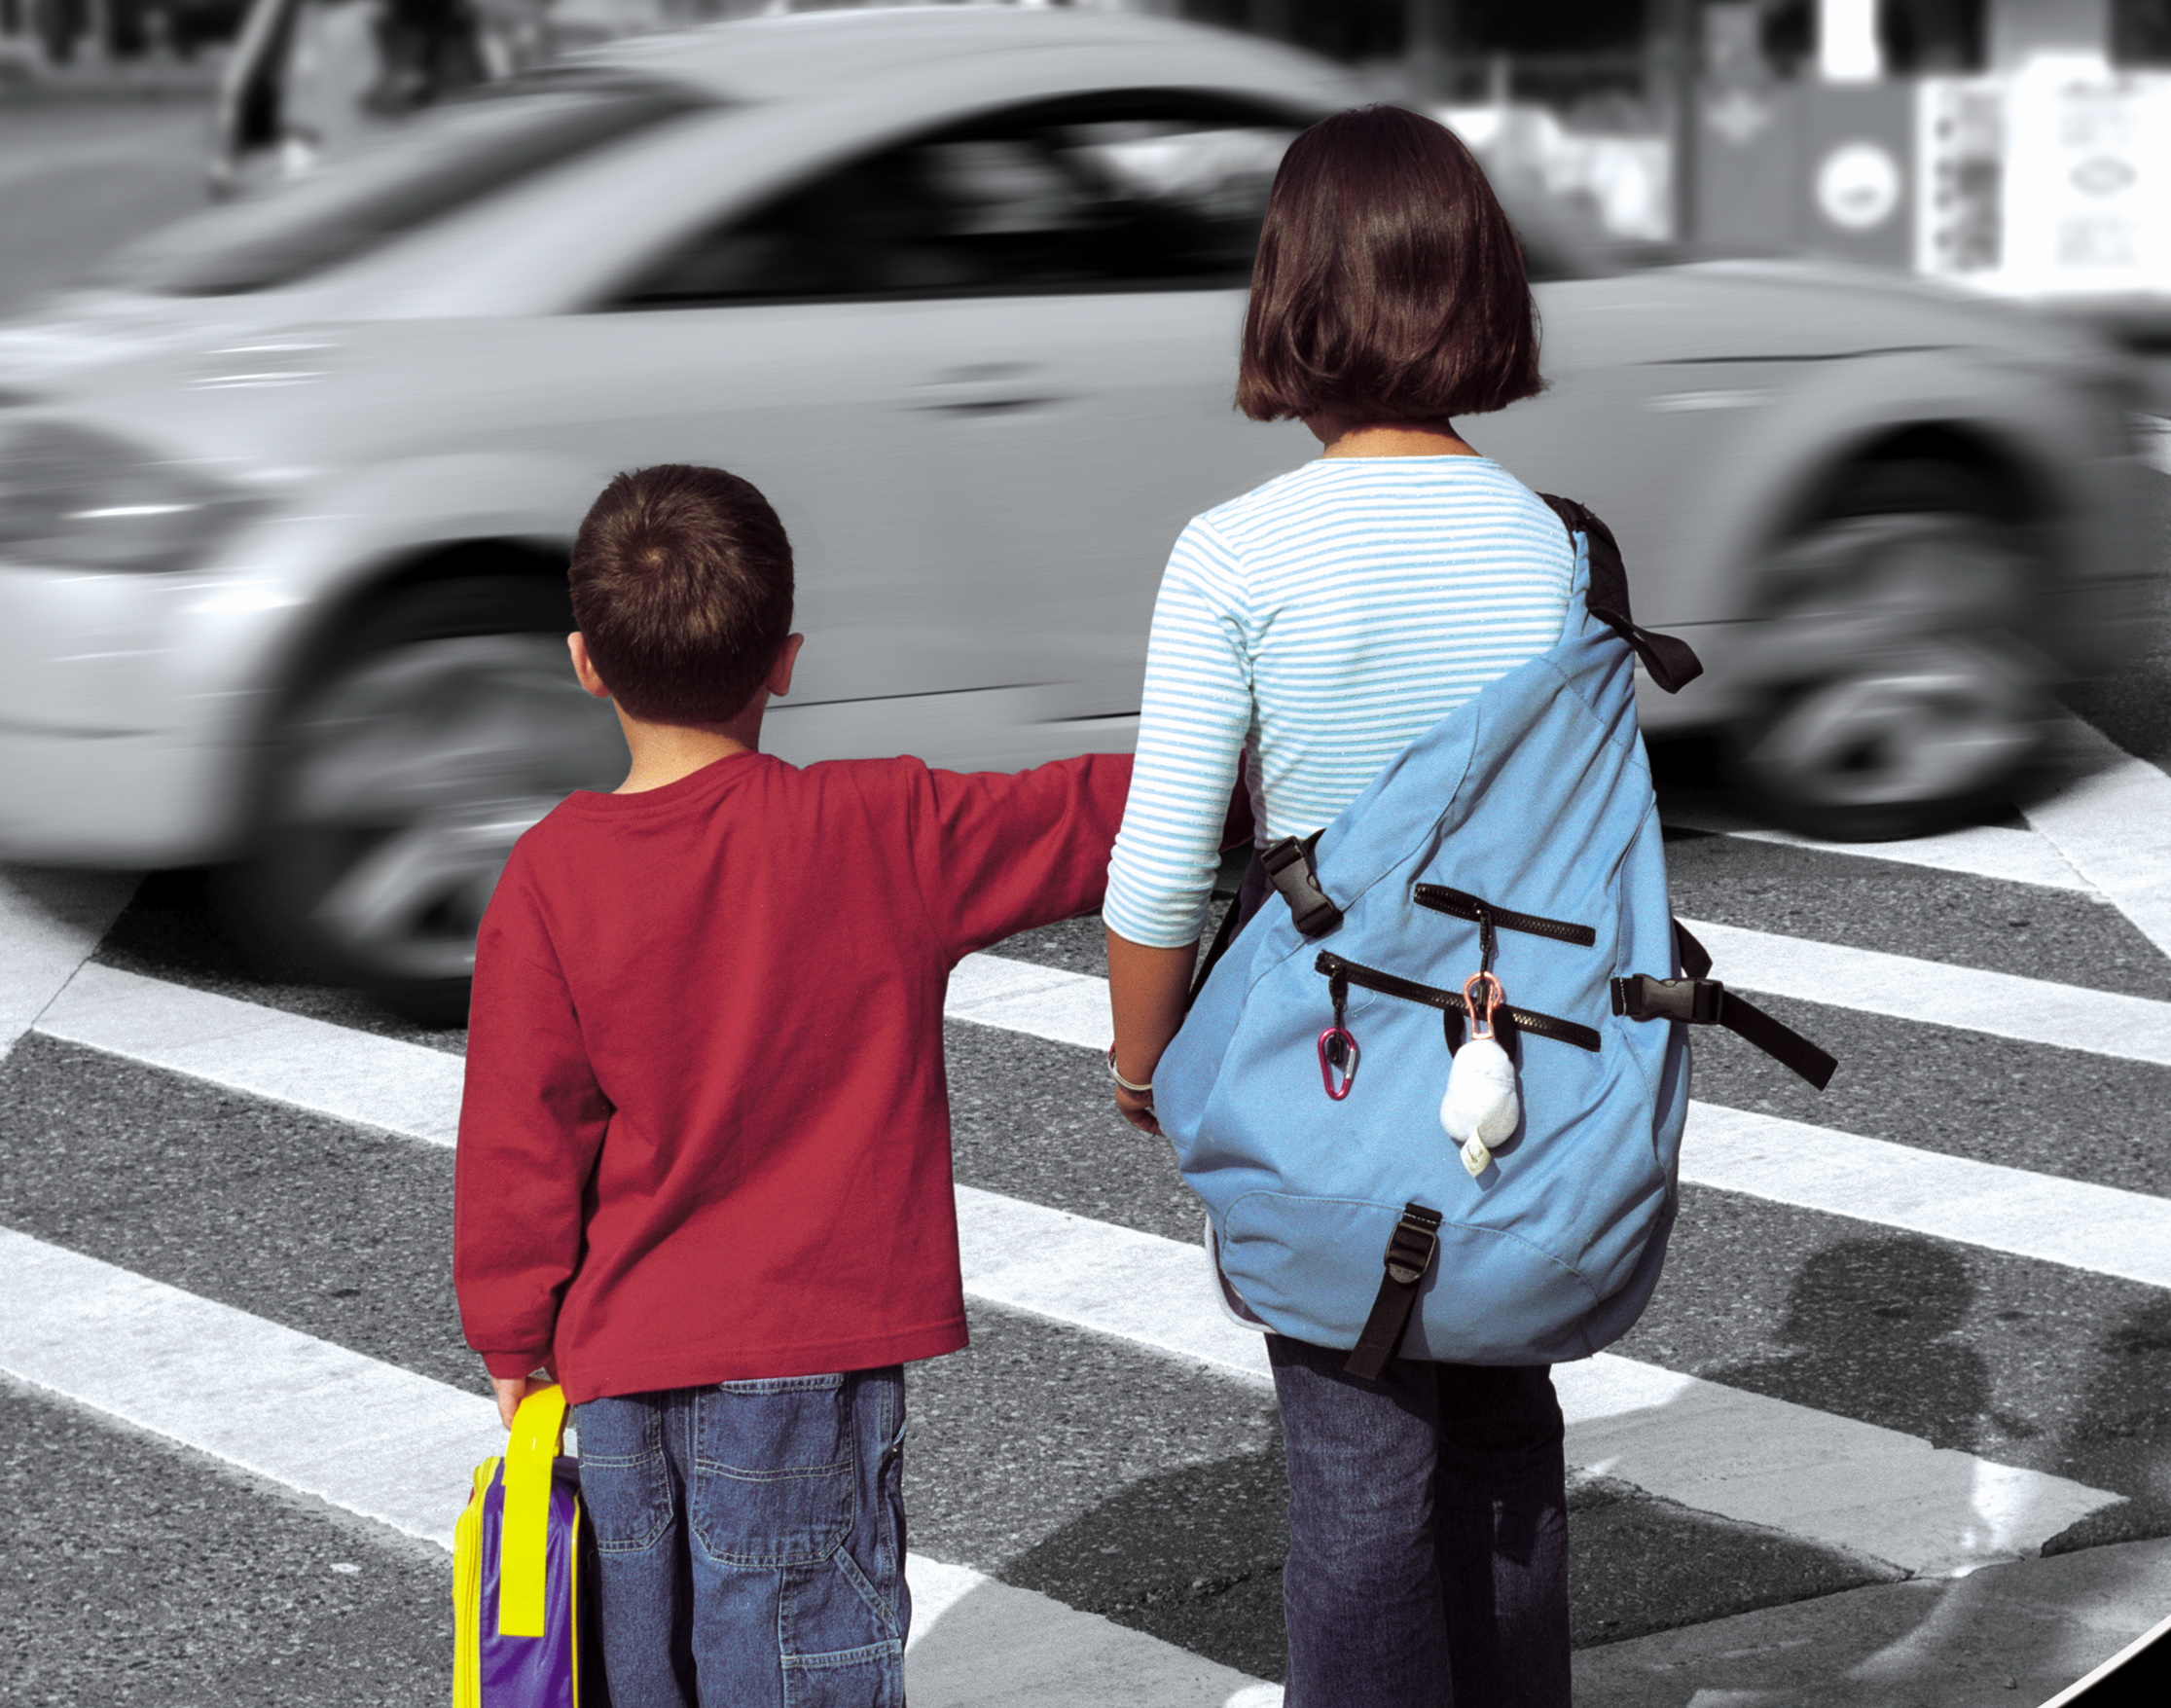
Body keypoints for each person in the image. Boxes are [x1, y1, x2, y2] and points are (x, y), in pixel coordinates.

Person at [452, 464, 1132, 1708]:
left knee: (628, 1677)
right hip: (805, 1372)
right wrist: (1273, 753)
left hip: (614, 1368)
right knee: (796, 1666)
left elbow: (519, 1139)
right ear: (786, 658)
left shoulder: (551, 876)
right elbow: (1096, 814)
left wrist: (511, 1335)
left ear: (584, 664)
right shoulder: (881, 827)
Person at [1101, 106, 1574, 1707]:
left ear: (1289, 291)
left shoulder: (1238, 554)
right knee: (1502, 1440)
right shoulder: (1550, 550)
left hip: (1330, 1070)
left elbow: (1162, 865)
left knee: (1361, 1462)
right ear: (1481, 289)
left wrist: (1140, 1071)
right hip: (1522, 1062)